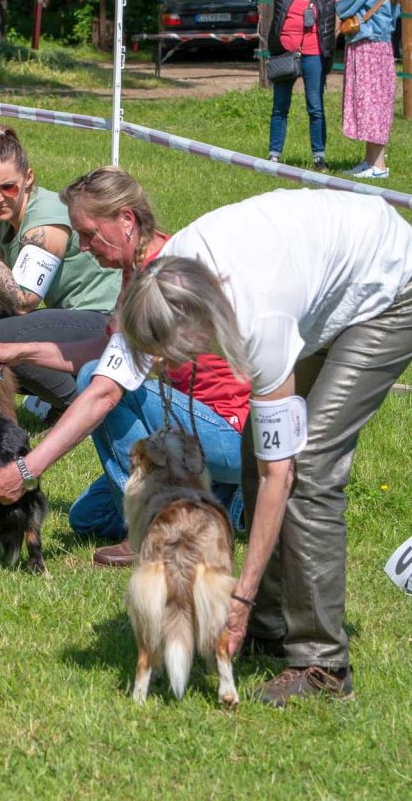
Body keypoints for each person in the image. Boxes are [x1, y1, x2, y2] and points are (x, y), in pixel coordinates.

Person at [111, 188, 412, 706]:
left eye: (171, 353)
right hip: (324, 280)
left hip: (391, 289)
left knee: (310, 464)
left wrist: (239, 595)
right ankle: (271, 630)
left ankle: (322, 665)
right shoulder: (171, 271)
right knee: (257, 447)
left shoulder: (259, 321)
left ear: (196, 323)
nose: (167, 364)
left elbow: (282, 474)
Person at [0, 166, 249, 568]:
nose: (84, 247)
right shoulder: (135, 270)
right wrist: (17, 351)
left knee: (95, 380)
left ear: (126, 220)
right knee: (88, 518)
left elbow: (105, 389)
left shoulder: (164, 277)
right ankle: (221, 497)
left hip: (232, 434)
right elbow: (106, 348)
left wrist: (25, 470)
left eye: (88, 233)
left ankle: (155, 526)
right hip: (191, 425)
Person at [0, 126, 121, 414]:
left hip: (108, 323)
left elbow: (22, 303)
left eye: (8, 187)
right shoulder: (5, 220)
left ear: (28, 179)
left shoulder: (45, 222)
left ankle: (83, 408)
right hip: (76, 319)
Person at [267, 0, 339, 169]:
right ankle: (274, 155)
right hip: (286, 51)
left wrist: (331, 37)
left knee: (315, 106)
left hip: (313, 52)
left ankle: (319, 157)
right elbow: (274, 13)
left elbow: (338, 16)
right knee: (280, 105)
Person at [336, 0, 401, 179]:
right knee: (377, 104)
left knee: (369, 103)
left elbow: (343, 5)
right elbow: (394, 19)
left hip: (366, 46)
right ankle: (371, 161)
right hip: (384, 47)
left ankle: (378, 167)